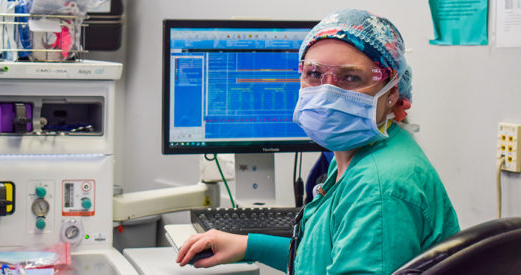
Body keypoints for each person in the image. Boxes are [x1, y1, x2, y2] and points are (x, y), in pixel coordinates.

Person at [176, 9, 460, 274]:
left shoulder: (378, 187)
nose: (327, 93)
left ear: (393, 92)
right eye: (313, 74)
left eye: (351, 77)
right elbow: (324, 254)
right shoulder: (360, 154)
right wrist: (250, 246)